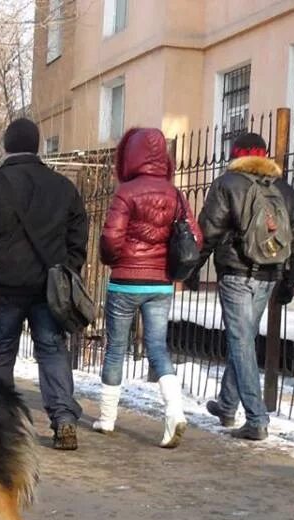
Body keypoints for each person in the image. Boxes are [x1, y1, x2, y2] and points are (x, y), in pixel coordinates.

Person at [0, 117, 88, 451]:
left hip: (4, 284)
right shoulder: (63, 187)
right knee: (51, 350)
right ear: (35, 145)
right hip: (49, 286)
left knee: (1, 351)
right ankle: (63, 420)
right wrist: (66, 269)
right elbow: (78, 234)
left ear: (6, 145)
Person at [189, 132, 294, 440]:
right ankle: (227, 405)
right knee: (243, 338)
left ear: (236, 155)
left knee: (240, 341)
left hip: (236, 273)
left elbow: (208, 232)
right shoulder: (284, 189)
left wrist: (192, 269)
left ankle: (256, 419)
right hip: (269, 274)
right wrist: (290, 279)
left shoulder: (227, 184)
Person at [93, 127, 202, 448]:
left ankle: (107, 418)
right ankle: (174, 412)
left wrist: (112, 258)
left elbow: (112, 238)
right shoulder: (175, 194)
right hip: (160, 283)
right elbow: (195, 237)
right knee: (157, 347)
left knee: (116, 347)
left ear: (132, 155)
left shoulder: (126, 192)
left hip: (126, 281)